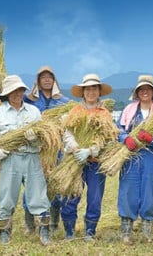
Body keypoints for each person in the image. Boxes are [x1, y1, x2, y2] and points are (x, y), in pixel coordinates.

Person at [0, 75, 51, 245]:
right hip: (10, 158)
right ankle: (4, 232)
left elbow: (43, 139)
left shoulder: (33, 112)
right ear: (7, 94)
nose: (17, 94)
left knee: (38, 195)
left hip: (32, 158)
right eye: (13, 91)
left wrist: (35, 139)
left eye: (20, 90)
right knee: (7, 197)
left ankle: (44, 232)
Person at [61, 73, 113, 241]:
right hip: (75, 159)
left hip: (95, 162)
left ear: (99, 91)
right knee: (71, 194)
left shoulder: (104, 113)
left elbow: (106, 137)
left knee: (95, 197)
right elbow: (67, 133)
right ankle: (69, 231)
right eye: (88, 89)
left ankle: (90, 231)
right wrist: (76, 149)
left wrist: (90, 150)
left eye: (94, 89)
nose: (91, 92)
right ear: (83, 92)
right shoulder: (75, 111)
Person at [116, 75, 153, 244]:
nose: (145, 92)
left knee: (149, 192)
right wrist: (125, 138)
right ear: (137, 93)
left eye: (148, 89)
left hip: (151, 157)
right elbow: (117, 130)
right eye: (141, 89)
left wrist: (151, 139)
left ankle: (147, 230)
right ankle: (126, 231)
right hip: (130, 156)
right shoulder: (128, 111)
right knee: (128, 190)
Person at [22, 66, 70, 234]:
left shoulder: (63, 101)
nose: (47, 80)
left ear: (55, 80)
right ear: (38, 81)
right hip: (35, 148)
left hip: (56, 149)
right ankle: (30, 224)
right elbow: (9, 98)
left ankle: (54, 223)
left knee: (55, 186)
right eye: (43, 77)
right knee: (32, 185)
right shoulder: (29, 99)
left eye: (50, 77)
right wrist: (0, 76)